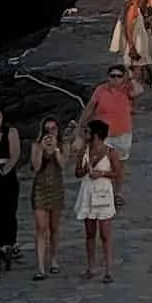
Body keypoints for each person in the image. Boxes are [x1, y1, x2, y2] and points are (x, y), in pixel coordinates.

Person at [75, 120, 120, 280]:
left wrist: (101, 174)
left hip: (103, 192)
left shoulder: (110, 152)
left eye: (87, 132)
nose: (85, 135)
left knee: (105, 233)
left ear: (95, 134)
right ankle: (91, 267)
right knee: (90, 232)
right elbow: (77, 172)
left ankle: (108, 270)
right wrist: (85, 169)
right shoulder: (84, 151)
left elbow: (117, 173)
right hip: (88, 191)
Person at [29, 116, 67, 278]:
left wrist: (56, 150)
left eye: (53, 129)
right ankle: (40, 266)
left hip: (56, 189)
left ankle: (53, 259)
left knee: (54, 228)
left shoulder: (64, 145)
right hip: (40, 188)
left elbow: (63, 165)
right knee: (40, 227)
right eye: (47, 129)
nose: (50, 132)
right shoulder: (36, 145)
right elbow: (36, 167)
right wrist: (41, 150)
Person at [87, 62, 136, 173]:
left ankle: (117, 190)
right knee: (99, 164)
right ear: (107, 77)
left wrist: (130, 78)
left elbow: (139, 90)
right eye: (112, 76)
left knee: (119, 168)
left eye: (119, 76)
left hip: (122, 134)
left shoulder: (127, 90)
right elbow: (89, 109)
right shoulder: (100, 90)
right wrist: (80, 127)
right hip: (103, 135)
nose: (115, 79)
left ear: (123, 78)